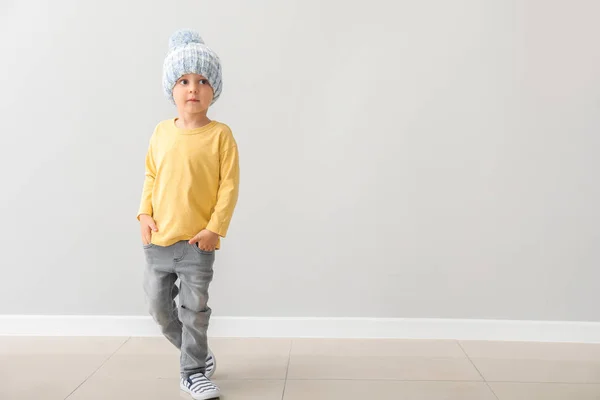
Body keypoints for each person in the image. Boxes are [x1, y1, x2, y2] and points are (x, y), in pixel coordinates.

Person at [137, 29, 240, 400]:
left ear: (215, 90)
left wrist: (216, 229)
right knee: (160, 309)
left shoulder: (220, 136)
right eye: (183, 80)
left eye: (202, 80)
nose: (193, 88)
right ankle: (195, 353)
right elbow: (151, 175)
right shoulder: (161, 133)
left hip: (198, 242)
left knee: (194, 310)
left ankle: (193, 371)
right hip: (159, 240)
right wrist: (143, 215)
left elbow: (228, 187)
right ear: (172, 88)